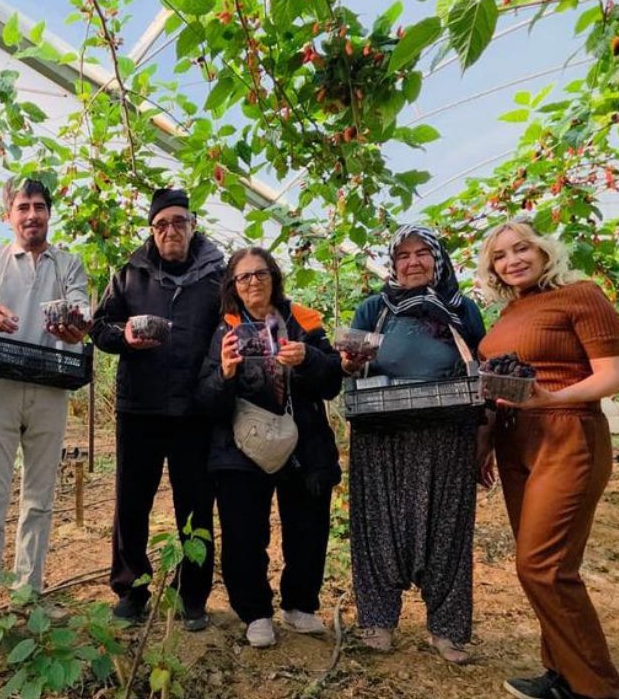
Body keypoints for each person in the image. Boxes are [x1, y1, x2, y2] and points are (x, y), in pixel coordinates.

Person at [476, 221, 619, 699]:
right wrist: (485, 442)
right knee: (546, 566)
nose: (512, 260)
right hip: (515, 439)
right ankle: (562, 674)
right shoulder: (511, 311)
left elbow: (613, 377)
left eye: (522, 248)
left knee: (542, 566)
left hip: (567, 434)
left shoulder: (581, 296)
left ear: (545, 250)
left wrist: (549, 398)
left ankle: (599, 690)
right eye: (500, 256)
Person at [0, 179, 90, 656]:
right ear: (9, 214)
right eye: (23, 207)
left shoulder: (68, 262)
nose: (32, 215)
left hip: (51, 386)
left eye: (40, 207)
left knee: (39, 500)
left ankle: (29, 600)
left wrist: (76, 327)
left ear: (50, 213)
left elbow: (81, 313)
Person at [340, 225, 491, 661]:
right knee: (378, 527)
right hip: (380, 433)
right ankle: (378, 622)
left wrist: (485, 439)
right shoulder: (374, 309)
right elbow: (353, 369)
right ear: (392, 264)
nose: (412, 263)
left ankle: (446, 630)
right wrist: (349, 363)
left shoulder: (462, 310)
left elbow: (481, 370)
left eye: (422, 253)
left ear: (438, 259)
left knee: (447, 530)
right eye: (402, 256)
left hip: (448, 433)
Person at [90, 188, 224, 630]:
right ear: (152, 230)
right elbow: (100, 327)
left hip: (195, 409)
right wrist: (123, 337)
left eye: (179, 222)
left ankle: (193, 595)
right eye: (162, 223)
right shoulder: (129, 273)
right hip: (140, 407)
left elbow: (232, 328)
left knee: (196, 505)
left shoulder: (217, 277)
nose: (171, 230)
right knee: (131, 504)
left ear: (193, 225)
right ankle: (131, 589)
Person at [195, 247, 342, 648]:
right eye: (243, 277)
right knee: (243, 531)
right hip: (239, 446)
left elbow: (332, 380)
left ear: (274, 277)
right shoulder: (224, 330)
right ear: (233, 287)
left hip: (303, 441)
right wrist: (225, 373)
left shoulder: (303, 320)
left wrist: (308, 358)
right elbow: (206, 402)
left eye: (260, 273)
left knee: (308, 527)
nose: (253, 282)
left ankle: (300, 605)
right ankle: (255, 611)